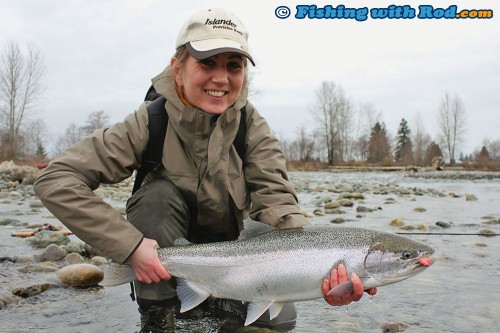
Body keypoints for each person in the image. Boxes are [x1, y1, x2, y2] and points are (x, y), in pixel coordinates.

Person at [34, 7, 376, 333]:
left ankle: (219, 299)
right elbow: (56, 179)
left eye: (234, 65)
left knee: (279, 323)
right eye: (207, 63)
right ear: (178, 67)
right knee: (155, 198)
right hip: (160, 257)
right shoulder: (149, 122)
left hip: (240, 260)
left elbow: (278, 205)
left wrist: (319, 272)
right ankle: (159, 314)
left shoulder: (251, 127)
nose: (221, 78)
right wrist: (130, 247)